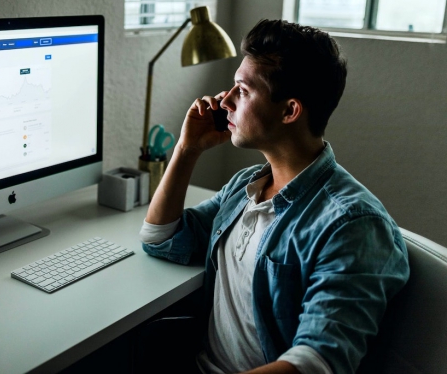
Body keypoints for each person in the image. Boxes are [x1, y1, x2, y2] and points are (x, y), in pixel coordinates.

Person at [139, 19, 410, 374]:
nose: (225, 101)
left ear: (290, 111)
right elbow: (161, 238)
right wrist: (187, 148)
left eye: (243, 90)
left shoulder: (353, 225)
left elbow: (315, 363)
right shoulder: (247, 186)